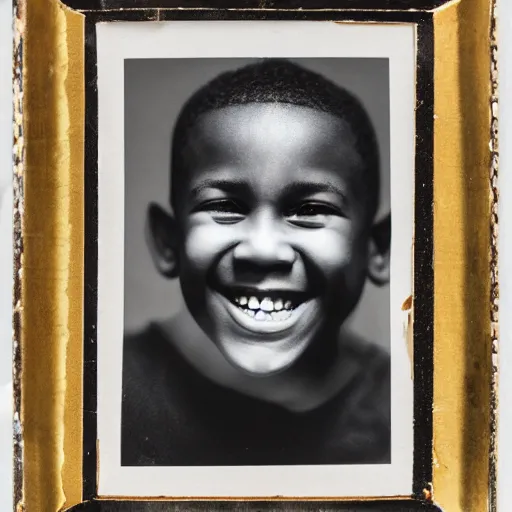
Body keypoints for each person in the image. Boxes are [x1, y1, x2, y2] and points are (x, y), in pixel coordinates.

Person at [121, 59, 391, 466]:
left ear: (377, 249)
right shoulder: (101, 394)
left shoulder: (414, 415)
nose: (263, 250)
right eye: (225, 206)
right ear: (168, 241)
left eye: (310, 209)